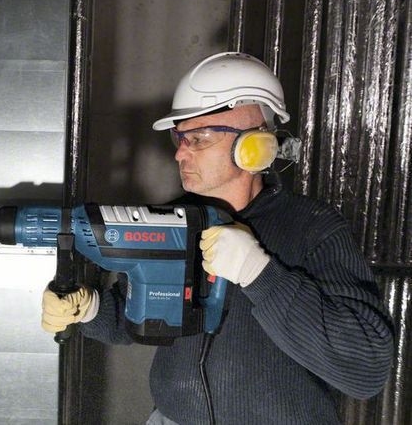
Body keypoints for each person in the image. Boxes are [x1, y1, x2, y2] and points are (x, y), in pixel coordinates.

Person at [41, 52, 394, 424]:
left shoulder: (313, 227)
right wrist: (91, 308)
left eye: (198, 139)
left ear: (254, 146)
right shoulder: (175, 220)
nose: (180, 153)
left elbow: (367, 368)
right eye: (179, 137)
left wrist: (260, 273)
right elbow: (138, 315)